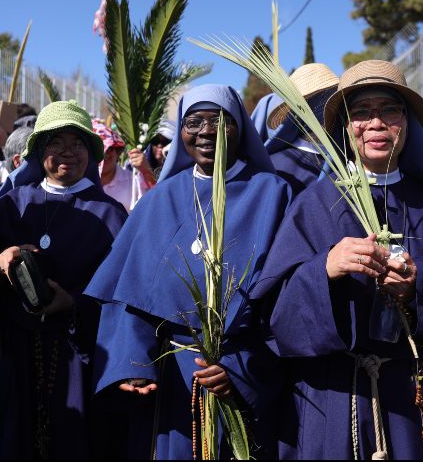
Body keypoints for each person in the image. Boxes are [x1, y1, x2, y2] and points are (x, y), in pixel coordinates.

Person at [251, 60, 423, 459]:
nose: (376, 123)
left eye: (390, 110)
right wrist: (324, 269)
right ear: (345, 126)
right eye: (361, 112)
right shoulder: (314, 206)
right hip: (333, 399)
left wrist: (418, 287)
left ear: (406, 124)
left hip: (414, 399)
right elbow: (273, 313)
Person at [84, 84, 292, 459]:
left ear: (239, 128)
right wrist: (133, 363)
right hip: (171, 376)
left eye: (220, 121)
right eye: (194, 121)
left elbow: (288, 301)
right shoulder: (159, 200)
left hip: (241, 373)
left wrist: (242, 370)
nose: (206, 132)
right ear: (181, 131)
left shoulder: (273, 193)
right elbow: (127, 295)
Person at [0, 100, 128, 459]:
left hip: (79, 358)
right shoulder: (12, 204)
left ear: (91, 152)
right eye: (56, 143)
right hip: (16, 354)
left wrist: (73, 301)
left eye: (77, 143)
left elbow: (122, 293)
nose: (67, 153)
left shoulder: (112, 216)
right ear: (39, 151)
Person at [264, 63, 338, 194]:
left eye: (334, 96)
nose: (329, 105)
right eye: (321, 98)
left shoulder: (351, 158)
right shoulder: (277, 167)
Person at [94, 118, 138, 212]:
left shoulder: (133, 181)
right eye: (100, 149)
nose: (105, 153)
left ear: (117, 153)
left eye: (109, 148)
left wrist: (146, 171)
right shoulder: (79, 181)